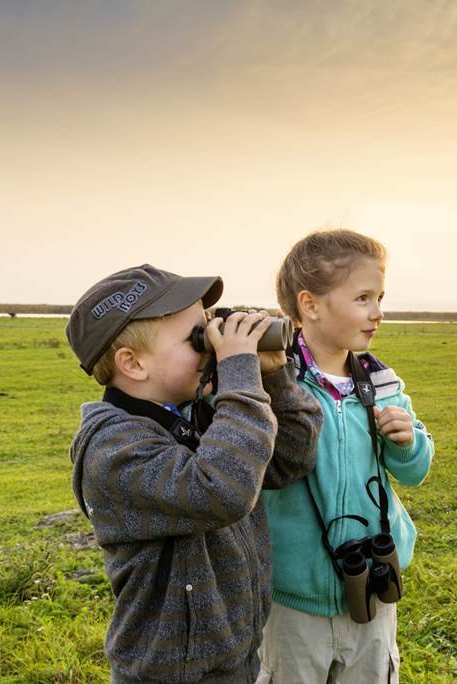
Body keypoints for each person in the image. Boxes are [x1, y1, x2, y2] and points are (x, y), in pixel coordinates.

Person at [65, 264, 322, 683]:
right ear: (132, 364)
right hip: (168, 674)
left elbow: (292, 457)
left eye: (210, 328)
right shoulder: (113, 451)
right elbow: (224, 489)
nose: (212, 347)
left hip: (235, 662)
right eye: (197, 338)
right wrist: (237, 370)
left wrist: (271, 376)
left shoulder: (197, 417)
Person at [259, 230, 435, 683]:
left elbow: (414, 472)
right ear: (310, 305)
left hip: (374, 590)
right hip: (293, 600)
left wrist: (407, 443)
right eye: (362, 298)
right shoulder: (274, 386)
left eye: (380, 297)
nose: (377, 312)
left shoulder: (381, 382)